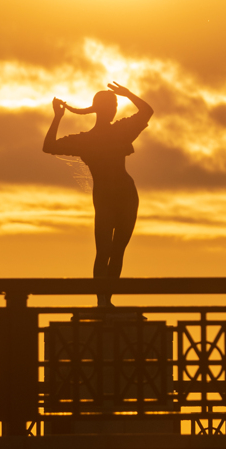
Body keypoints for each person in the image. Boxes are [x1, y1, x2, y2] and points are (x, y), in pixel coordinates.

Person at [43, 82, 153, 307]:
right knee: (105, 250)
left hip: (123, 195)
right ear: (99, 108)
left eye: (115, 105)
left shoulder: (114, 132)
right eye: (111, 105)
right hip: (107, 197)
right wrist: (58, 117)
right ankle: (102, 301)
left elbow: (148, 112)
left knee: (116, 250)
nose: (114, 109)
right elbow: (49, 146)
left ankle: (106, 300)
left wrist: (58, 117)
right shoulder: (93, 138)